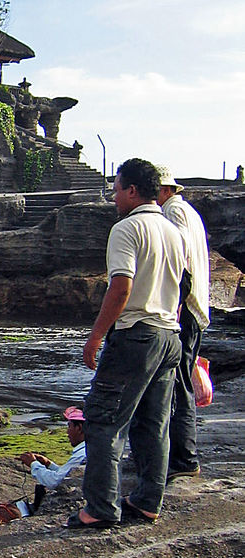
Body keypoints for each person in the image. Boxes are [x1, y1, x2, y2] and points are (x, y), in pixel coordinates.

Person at [70, 158, 185, 529]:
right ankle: (149, 500)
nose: (113, 196)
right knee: (153, 423)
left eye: (117, 189)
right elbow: (182, 287)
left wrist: (97, 334)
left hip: (136, 333)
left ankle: (101, 507)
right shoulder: (172, 230)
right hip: (169, 334)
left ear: (133, 190)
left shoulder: (127, 228)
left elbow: (121, 286)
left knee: (104, 420)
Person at [155, 167, 210, 481]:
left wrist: (173, 305)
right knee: (181, 380)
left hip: (186, 308)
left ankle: (185, 459)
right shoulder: (186, 210)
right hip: (195, 306)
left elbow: (181, 262)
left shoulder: (174, 213)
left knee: (179, 384)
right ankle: (182, 456)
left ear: (163, 190)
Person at [18, 406, 87, 490]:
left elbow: (54, 482)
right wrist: (48, 464)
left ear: (79, 428)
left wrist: (33, 464)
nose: (67, 432)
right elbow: (67, 474)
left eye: (69, 426)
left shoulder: (82, 455)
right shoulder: (93, 449)